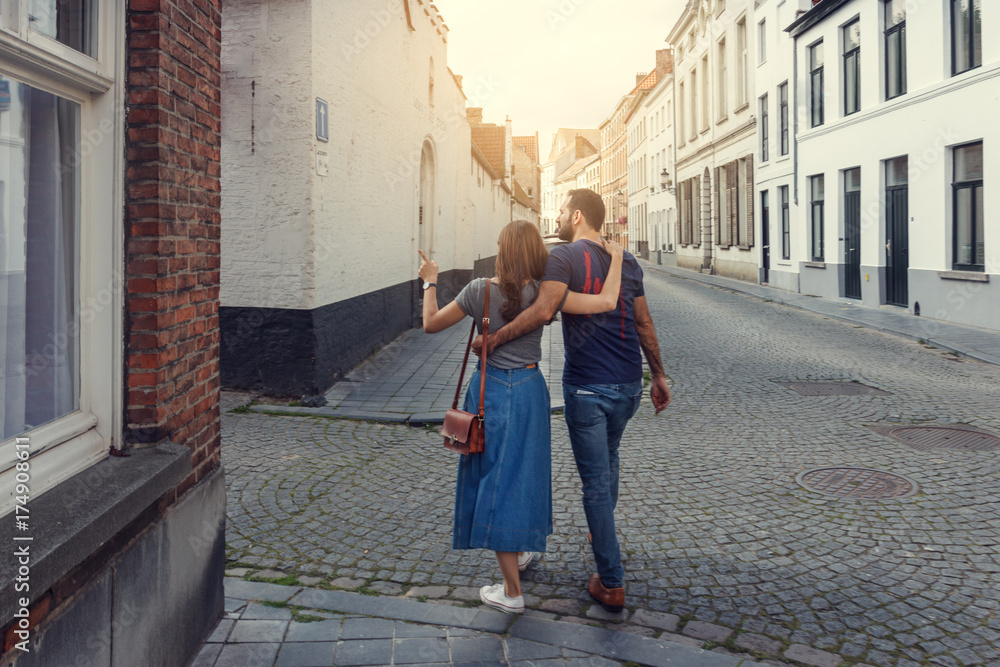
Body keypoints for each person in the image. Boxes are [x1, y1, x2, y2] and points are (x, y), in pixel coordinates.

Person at [477, 189, 670, 613]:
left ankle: (611, 581)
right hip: (627, 385)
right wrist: (657, 373)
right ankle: (600, 534)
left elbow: (544, 310)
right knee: (610, 460)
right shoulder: (628, 260)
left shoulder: (563, 257)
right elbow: (643, 320)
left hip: (587, 388)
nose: (559, 217)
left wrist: (494, 340)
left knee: (596, 485)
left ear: (577, 215)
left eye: (562, 211)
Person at [417, 219, 624, 614]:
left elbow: (430, 324)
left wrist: (430, 281)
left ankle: (511, 592)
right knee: (524, 475)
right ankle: (522, 551)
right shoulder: (546, 293)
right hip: (530, 392)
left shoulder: (479, 291)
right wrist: (615, 259)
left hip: (490, 392)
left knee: (497, 482)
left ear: (502, 250)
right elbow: (606, 302)